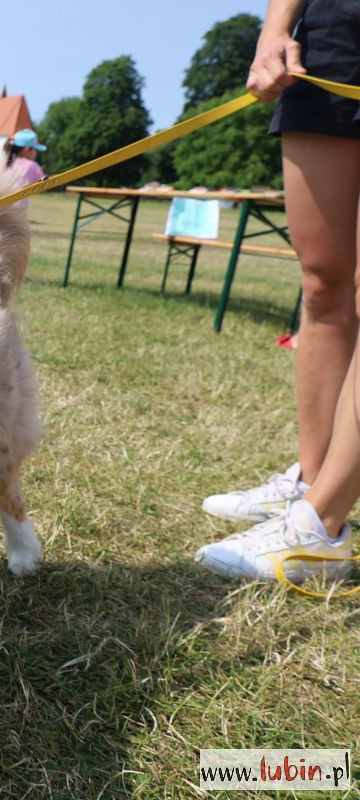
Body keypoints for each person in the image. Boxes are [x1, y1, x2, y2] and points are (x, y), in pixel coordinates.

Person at [195, 0, 358, 585]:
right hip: (334, 36)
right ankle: (310, 484)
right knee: (322, 286)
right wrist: (274, 30)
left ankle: (322, 526)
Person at [4, 129, 46, 205]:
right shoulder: (32, 165)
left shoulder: (8, 163)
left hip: (1, 204)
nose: (36, 153)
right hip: (18, 208)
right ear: (27, 149)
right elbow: (44, 184)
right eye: (35, 150)